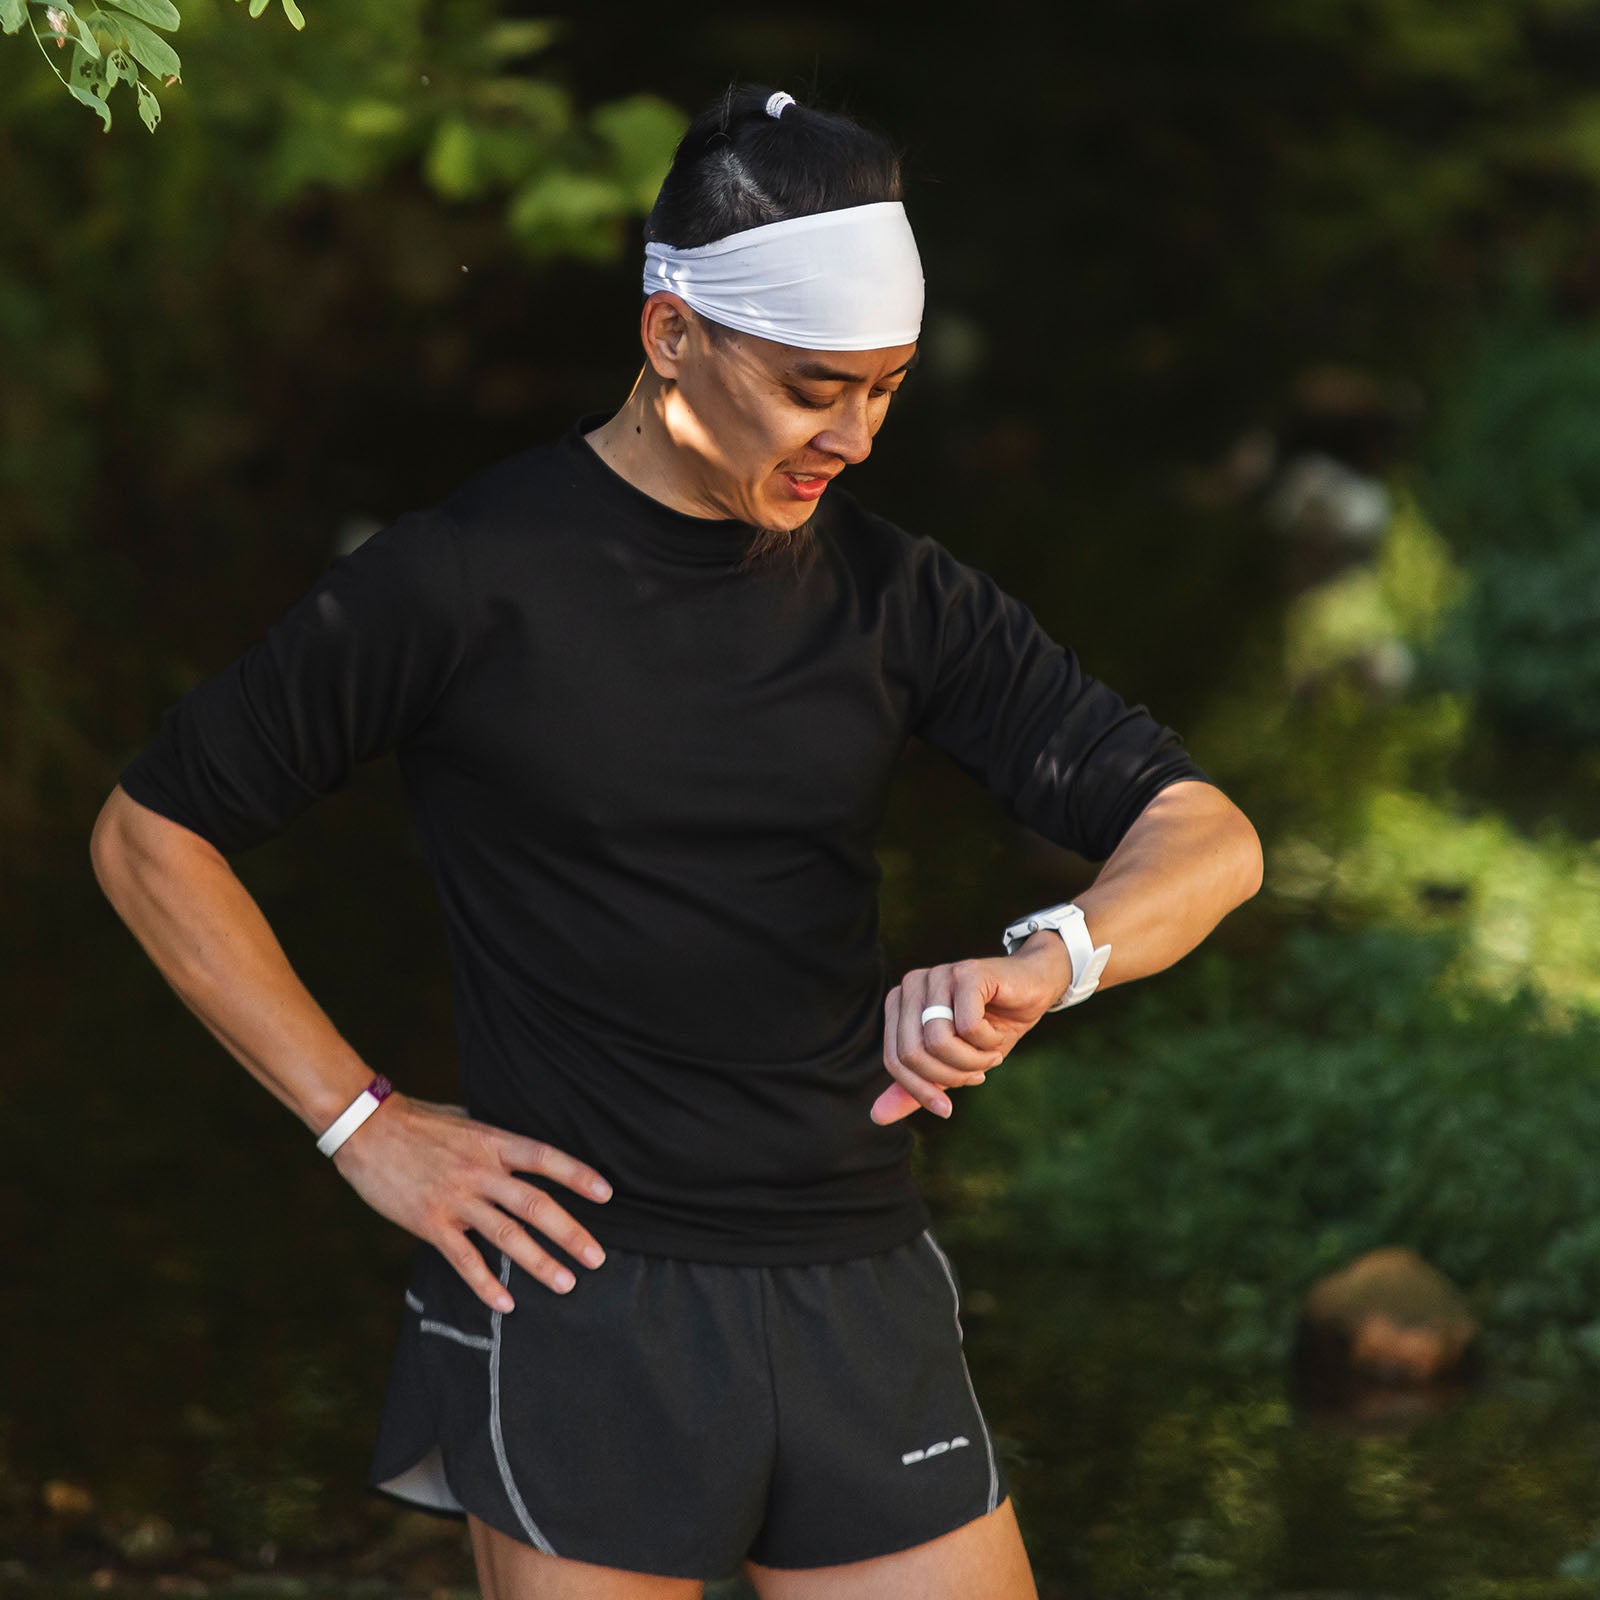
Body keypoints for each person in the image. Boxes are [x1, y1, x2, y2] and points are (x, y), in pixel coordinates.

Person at [91, 82, 1263, 1600]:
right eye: (812, 387)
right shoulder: (466, 580)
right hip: (584, 1288)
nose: (854, 436)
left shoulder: (898, 598)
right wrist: (361, 1123)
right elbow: (152, 834)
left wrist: (1054, 954)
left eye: (887, 390)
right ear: (671, 336)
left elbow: (1207, 834)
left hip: (858, 1276)